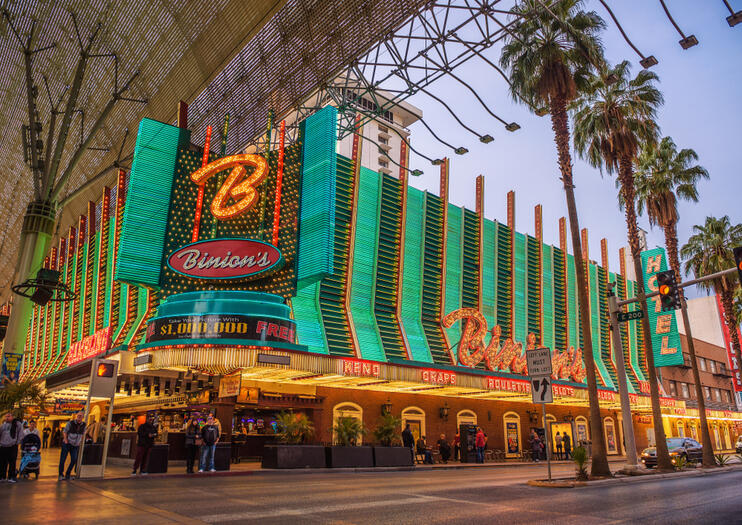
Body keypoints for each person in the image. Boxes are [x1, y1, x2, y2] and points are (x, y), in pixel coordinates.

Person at [58, 411, 86, 481]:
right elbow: (65, 431)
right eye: (78, 415)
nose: (79, 417)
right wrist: (65, 440)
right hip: (67, 443)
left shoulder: (84, 425)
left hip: (75, 445)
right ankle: (60, 474)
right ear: (76, 416)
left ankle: (68, 474)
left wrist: (80, 441)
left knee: (74, 459)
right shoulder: (70, 423)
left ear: (83, 417)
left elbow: (83, 433)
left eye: (80, 416)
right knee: (63, 459)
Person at [0, 412, 23, 483]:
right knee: (2, 462)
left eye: (8, 416)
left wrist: (17, 442)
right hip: (3, 446)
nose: (7, 418)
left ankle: (11, 477)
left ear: (12, 417)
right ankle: (2, 476)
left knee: (12, 462)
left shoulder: (17, 424)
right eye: (6, 416)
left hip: (13, 446)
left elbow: (20, 433)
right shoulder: (3, 425)